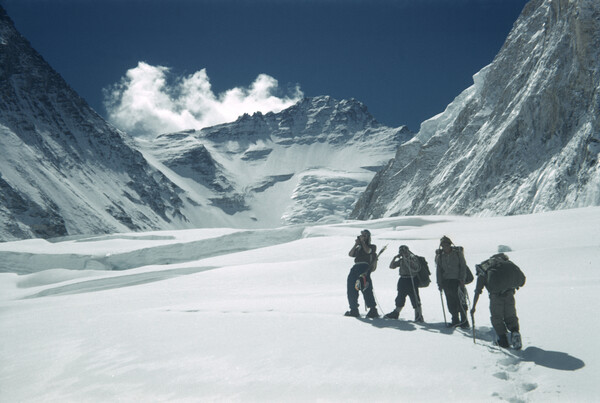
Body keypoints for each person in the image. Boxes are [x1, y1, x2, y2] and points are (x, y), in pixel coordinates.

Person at [471, 255, 522, 349]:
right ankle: (515, 333)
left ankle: (503, 341)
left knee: (497, 318)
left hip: (496, 296)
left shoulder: (484, 269)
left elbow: (478, 290)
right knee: (510, 316)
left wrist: (473, 306)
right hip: (509, 294)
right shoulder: (507, 265)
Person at [435, 236, 470, 328]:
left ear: (450, 244)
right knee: (450, 302)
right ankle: (455, 320)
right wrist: (439, 283)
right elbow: (438, 271)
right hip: (446, 282)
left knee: (461, 302)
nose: (445, 246)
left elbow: (463, 267)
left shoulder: (458, 254)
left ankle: (464, 321)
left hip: (457, 281)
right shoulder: (440, 257)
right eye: (443, 245)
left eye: (446, 244)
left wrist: (462, 279)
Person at [384, 245, 424, 322]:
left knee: (414, 297)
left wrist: (408, 260)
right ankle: (396, 312)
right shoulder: (401, 260)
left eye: (404, 251)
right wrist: (395, 258)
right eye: (401, 252)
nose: (403, 253)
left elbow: (416, 268)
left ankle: (418, 315)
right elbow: (391, 266)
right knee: (400, 297)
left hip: (411, 279)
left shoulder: (413, 258)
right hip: (403, 279)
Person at [345, 229, 379, 318]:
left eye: (364, 235)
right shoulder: (358, 248)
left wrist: (363, 242)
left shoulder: (372, 246)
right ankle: (354, 309)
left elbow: (368, 251)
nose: (362, 237)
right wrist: (356, 244)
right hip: (355, 267)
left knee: (366, 288)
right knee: (351, 288)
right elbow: (350, 254)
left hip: (364, 267)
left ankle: (372, 309)